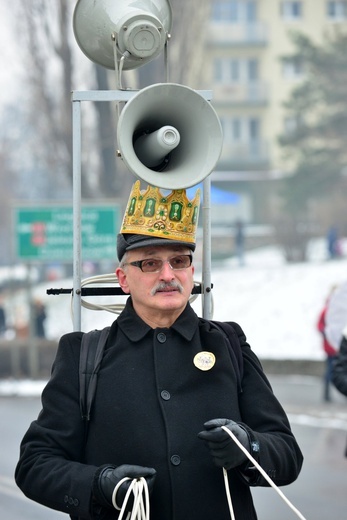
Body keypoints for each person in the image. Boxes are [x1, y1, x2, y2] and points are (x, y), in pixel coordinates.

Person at [15, 181, 303, 520]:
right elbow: (35, 464)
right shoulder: (83, 354)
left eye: (178, 261)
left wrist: (247, 446)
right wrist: (100, 485)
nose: (168, 275)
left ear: (191, 272)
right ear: (123, 279)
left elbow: (286, 454)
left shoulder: (228, 344)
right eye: (150, 264)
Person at [317, 289, 338, 401]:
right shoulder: (326, 311)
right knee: (330, 370)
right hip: (330, 348)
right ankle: (326, 393)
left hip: (340, 348)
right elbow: (319, 326)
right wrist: (327, 333)